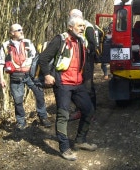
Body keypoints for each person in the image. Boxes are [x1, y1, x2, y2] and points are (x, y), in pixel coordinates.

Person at [38, 16, 97, 161]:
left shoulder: (81, 41)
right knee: (63, 115)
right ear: (70, 27)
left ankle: (80, 141)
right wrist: (46, 74)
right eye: (79, 26)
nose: (82, 28)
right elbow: (43, 58)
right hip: (63, 84)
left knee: (89, 110)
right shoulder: (60, 40)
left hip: (78, 83)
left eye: (83, 26)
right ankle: (64, 148)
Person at [0, 23, 52, 131]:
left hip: (30, 75)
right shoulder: (5, 45)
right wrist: (1, 78)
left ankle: (43, 116)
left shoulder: (28, 42)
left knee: (39, 94)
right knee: (18, 100)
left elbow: (35, 56)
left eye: (22, 29)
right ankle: (21, 121)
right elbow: (1, 62)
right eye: (18, 30)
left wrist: (30, 66)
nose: (21, 31)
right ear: (12, 33)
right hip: (15, 76)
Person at [68, 9, 97, 121]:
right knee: (78, 87)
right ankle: (79, 110)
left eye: (70, 16)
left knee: (88, 87)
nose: (69, 18)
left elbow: (93, 46)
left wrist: (84, 50)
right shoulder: (74, 27)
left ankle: (91, 113)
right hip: (77, 62)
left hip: (87, 62)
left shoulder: (88, 27)